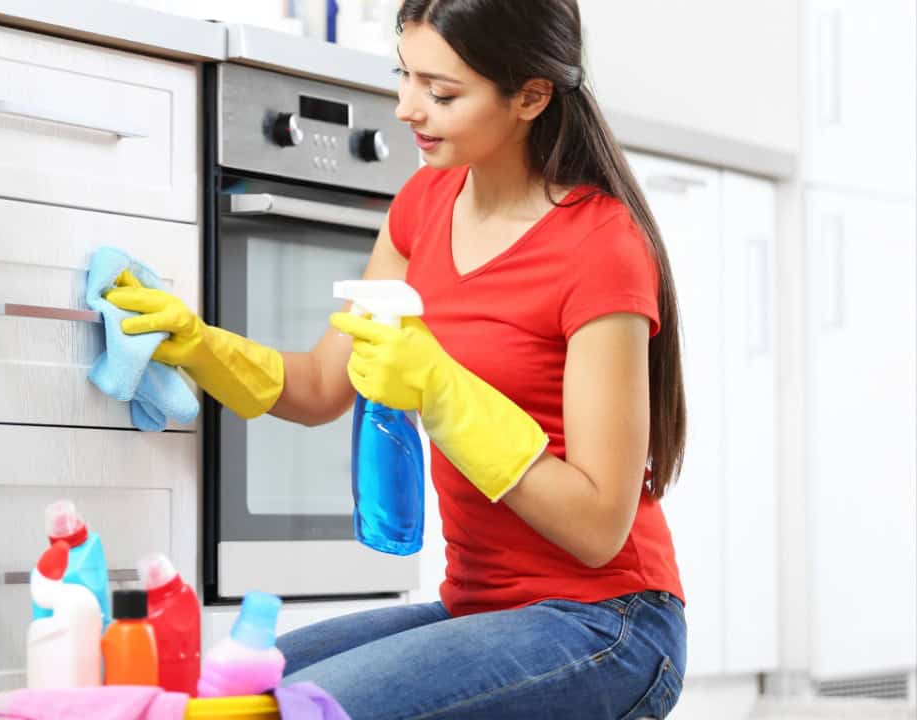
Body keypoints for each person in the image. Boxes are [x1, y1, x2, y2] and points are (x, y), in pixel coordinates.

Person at [106, 0, 688, 717]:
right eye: (404, 77)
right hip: (479, 611)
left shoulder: (599, 245)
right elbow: (322, 385)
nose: (408, 108)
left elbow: (600, 528)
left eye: (442, 93)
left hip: (609, 624)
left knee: (301, 713)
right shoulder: (423, 205)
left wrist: (444, 393)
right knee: (214, 697)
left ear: (532, 95)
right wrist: (196, 341)